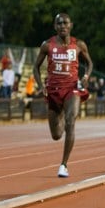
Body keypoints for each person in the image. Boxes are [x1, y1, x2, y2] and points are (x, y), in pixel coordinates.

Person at [33, 13, 93, 178]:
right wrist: (40, 86)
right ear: (55, 26)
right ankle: (59, 114)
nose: (62, 26)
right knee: (56, 135)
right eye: (59, 24)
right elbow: (35, 67)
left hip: (72, 89)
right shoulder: (47, 45)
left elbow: (90, 63)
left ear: (71, 25)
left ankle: (63, 165)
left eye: (65, 23)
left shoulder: (79, 45)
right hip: (53, 91)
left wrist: (86, 77)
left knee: (71, 122)